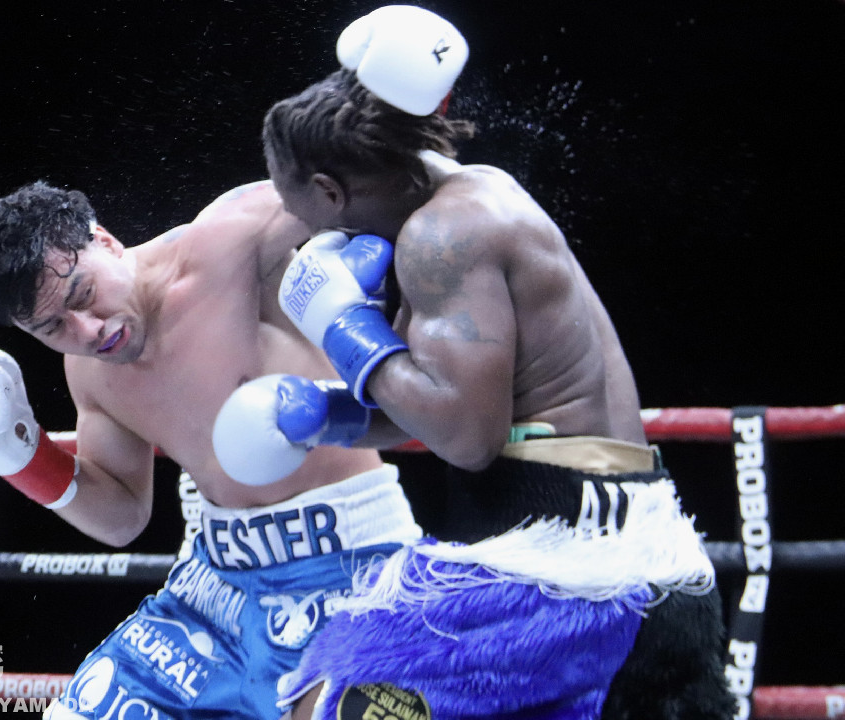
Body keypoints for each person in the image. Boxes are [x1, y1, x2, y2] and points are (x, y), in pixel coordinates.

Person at [215, 6, 735, 719]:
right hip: (577, 550)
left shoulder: (444, 234)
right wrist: (324, 416)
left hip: (580, 568)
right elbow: (445, 402)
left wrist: (342, 326)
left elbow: (466, 437)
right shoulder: (449, 202)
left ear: (330, 191)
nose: (301, 231)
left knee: (329, 703)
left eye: (298, 209)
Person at [0, 179, 424, 720]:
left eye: (83, 295)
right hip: (214, 583)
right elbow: (122, 518)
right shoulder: (90, 371)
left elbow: (360, 180)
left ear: (106, 241)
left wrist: (419, 308)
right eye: (53, 327)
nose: (87, 331)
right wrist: (21, 459)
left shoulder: (222, 247)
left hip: (352, 564)